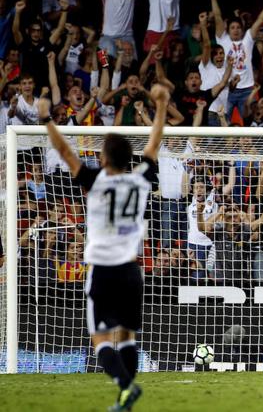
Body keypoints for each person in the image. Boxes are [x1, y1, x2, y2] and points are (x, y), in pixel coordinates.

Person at [37, 84, 171, 410]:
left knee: (99, 339)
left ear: (104, 157)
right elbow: (154, 142)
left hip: (102, 272)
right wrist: (162, 104)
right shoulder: (140, 179)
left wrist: (46, 121)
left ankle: (126, 386)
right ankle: (126, 398)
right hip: (131, 271)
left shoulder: (95, 180)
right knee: (127, 335)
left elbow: (66, 152)